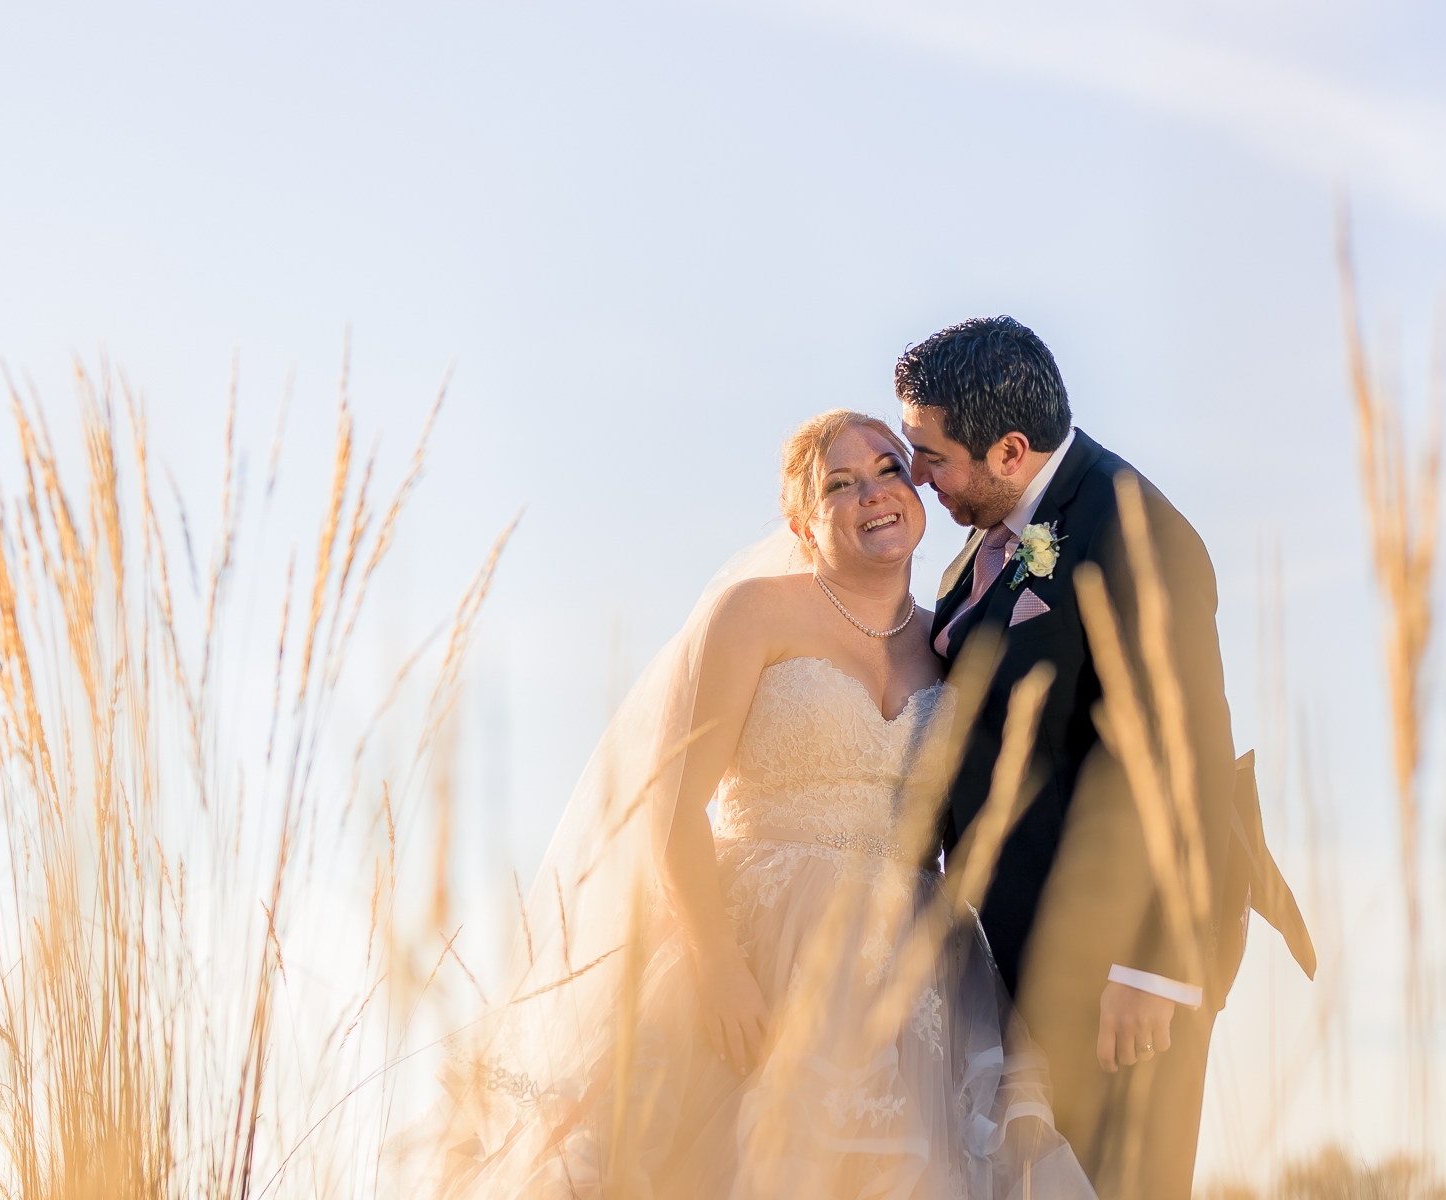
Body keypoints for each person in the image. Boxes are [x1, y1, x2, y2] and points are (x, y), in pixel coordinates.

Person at [383, 409, 1096, 1198]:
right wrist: (719, 968)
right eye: (841, 484)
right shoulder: (754, 613)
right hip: (756, 943)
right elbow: (672, 805)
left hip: (912, 980)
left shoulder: (950, 641)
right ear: (802, 520)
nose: (874, 494)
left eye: (891, 469)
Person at [897, 317, 1238, 1199]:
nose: (917, 478)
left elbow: (1186, 757)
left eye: (930, 456)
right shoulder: (984, 546)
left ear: (1010, 449)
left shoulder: (1134, 529)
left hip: (1118, 979)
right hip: (1009, 965)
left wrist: (1153, 964)